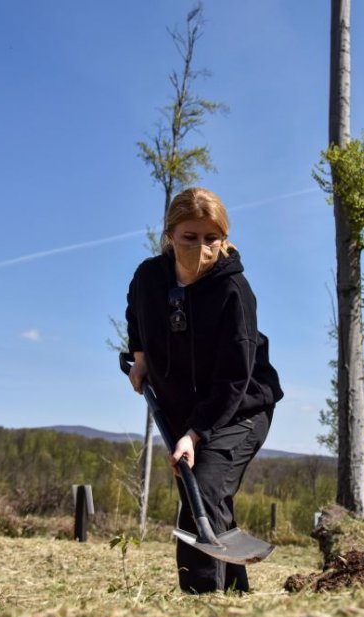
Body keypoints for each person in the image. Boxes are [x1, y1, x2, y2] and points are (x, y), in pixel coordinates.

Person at [125, 186, 283, 594]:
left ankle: (202, 607)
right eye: (190, 237)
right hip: (187, 411)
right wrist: (140, 356)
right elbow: (135, 309)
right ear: (170, 236)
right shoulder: (149, 277)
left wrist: (195, 434)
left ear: (225, 239)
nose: (202, 247)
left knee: (203, 492)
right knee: (210, 508)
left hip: (241, 408)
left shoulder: (234, 292)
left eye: (211, 238)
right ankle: (235, 598)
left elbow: (234, 378)